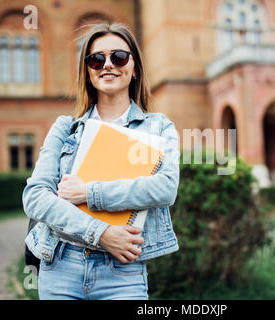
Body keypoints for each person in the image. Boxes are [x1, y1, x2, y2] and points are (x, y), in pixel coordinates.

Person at [22, 23, 180, 300]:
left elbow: (166, 188)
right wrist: (101, 232)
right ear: (88, 71)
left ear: (134, 68)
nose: (108, 65)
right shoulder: (65, 128)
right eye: (96, 59)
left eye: (119, 57)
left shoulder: (158, 128)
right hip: (60, 266)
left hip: (122, 273)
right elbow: (35, 197)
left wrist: (89, 193)